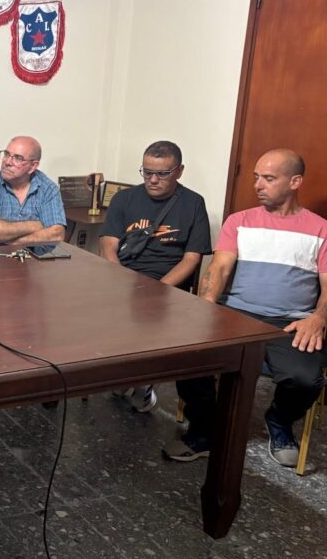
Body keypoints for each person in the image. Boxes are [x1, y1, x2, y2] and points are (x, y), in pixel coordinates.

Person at [164, 149, 327, 466]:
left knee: (305, 380)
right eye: (255, 177)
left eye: (268, 178)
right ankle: (208, 429)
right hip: (236, 313)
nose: (258, 185)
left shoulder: (320, 229)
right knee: (186, 358)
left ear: (295, 182)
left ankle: (279, 420)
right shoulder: (240, 222)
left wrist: (318, 317)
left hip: (290, 322)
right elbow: (220, 269)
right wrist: (208, 303)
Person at [99, 141, 212, 412]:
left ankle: (143, 377)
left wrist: (158, 289)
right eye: (146, 172)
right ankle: (121, 372)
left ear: (179, 171)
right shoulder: (124, 198)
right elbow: (108, 244)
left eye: (162, 173)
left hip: (167, 284)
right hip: (124, 277)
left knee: (148, 315)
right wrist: (119, 278)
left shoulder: (193, 203)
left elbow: (192, 258)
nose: (152, 179)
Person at [0, 136, 66, 248]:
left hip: (37, 263)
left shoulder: (48, 189)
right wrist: (36, 225)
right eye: (6, 154)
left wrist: (2, 234)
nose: (7, 162)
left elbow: (56, 235)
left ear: (33, 166)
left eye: (18, 158)